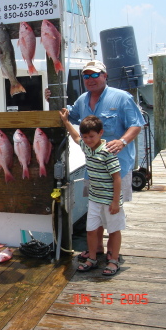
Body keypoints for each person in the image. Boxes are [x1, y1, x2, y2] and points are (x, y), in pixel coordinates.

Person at [46, 60, 145, 263]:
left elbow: (137, 125)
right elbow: (68, 117)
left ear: (104, 75)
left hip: (119, 166)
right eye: (86, 76)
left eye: (94, 75)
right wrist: (51, 100)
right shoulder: (83, 100)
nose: (90, 79)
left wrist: (123, 141)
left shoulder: (122, 97)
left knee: (113, 210)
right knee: (95, 211)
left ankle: (113, 254)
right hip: (93, 169)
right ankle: (97, 248)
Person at [59, 113, 124, 275]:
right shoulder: (86, 147)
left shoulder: (108, 152)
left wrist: (115, 202)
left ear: (101, 133)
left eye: (92, 136)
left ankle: (114, 261)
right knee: (91, 230)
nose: (88, 140)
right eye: (86, 137)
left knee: (114, 230)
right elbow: (75, 137)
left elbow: (117, 179)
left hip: (110, 200)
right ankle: (93, 257)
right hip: (94, 199)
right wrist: (66, 122)